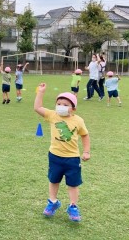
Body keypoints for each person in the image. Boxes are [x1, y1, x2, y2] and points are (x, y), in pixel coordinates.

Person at [34, 84, 91, 222]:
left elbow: (85, 135)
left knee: (73, 183)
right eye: (58, 103)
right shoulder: (53, 115)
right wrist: (40, 92)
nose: (61, 106)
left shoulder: (78, 120)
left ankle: (73, 206)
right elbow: (37, 108)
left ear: (73, 108)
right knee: (53, 180)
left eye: (65, 104)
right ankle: (53, 202)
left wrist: (87, 151)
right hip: (54, 156)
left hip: (72, 158)